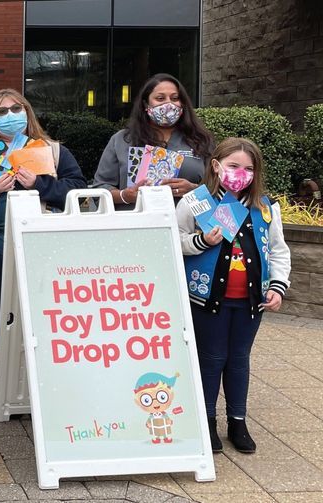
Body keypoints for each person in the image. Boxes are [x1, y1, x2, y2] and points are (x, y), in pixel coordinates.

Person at [0, 89, 86, 380]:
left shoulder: (51, 150)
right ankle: (12, 382)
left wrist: (41, 183)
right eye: (1, 111)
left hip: (42, 247)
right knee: (4, 315)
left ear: (27, 112)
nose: (10, 116)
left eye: (16, 109)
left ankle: (45, 380)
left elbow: (78, 190)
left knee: (43, 315)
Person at [178, 137, 290, 454]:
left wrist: (278, 285)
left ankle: (237, 421)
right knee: (212, 359)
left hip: (252, 301)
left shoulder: (264, 208)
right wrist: (200, 241)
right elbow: (175, 239)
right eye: (233, 166)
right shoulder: (195, 201)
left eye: (248, 168)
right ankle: (208, 421)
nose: (241, 173)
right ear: (216, 166)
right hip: (207, 299)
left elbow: (279, 251)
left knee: (239, 359)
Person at [93, 73, 213, 209]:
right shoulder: (122, 140)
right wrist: (124, 196)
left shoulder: (200, 140)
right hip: (134, 225)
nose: (169, 104)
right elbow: (99, 190)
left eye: (175, 98)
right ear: (146, 104)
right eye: (160, 98)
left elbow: (219, 189)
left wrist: (194, 190)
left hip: (186, 226)